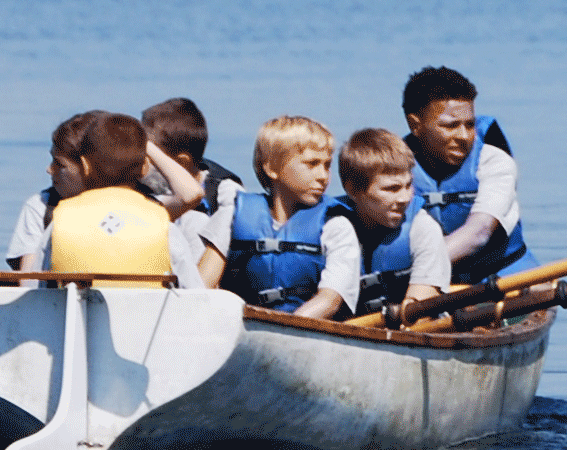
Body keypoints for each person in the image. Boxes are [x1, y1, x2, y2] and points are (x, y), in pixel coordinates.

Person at [400, 65, 527, 287]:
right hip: (427, 281)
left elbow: (479, 232)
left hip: (504, 277)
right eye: (449, 126)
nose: (463, 136)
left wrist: (412, 272)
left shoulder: (493, 160)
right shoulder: (393, 166)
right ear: (415, 125)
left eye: (469, 125)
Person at [313, 127, 453, 322]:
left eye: (408, 185)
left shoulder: (423, 228)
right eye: (392, 188)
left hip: (409, 329)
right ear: (352, 189)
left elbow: (419, 314)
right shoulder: (328, 226)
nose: (405, 198)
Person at [42, 112, 182, 280]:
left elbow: (38, 289)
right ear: (144, 168)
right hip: (145, 306)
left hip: (75, 306)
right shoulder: (165, 228)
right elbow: (196, 295)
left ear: (85, 166)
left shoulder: (60, 223)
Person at [221, 115, 339, 312]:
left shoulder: (335, 224)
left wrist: (284, 329)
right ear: (272, 168)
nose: (323, 176)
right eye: (311, 164)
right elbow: (203, 288)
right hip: (241, 326)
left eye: (327, 165)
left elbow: (330, 300)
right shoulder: (231, 215)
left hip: (303, 333)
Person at [140, 96, 237, 292]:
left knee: (195, 222)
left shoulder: (224, 194)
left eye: (149, 154)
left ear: (181, 162)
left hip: (202, 293)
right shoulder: (144, 186)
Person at [6, 111, 100, 271]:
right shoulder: (41, 206)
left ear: (87, 168)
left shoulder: (139, 203)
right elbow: (29, 282)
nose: (49, 170)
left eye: (59, 164)